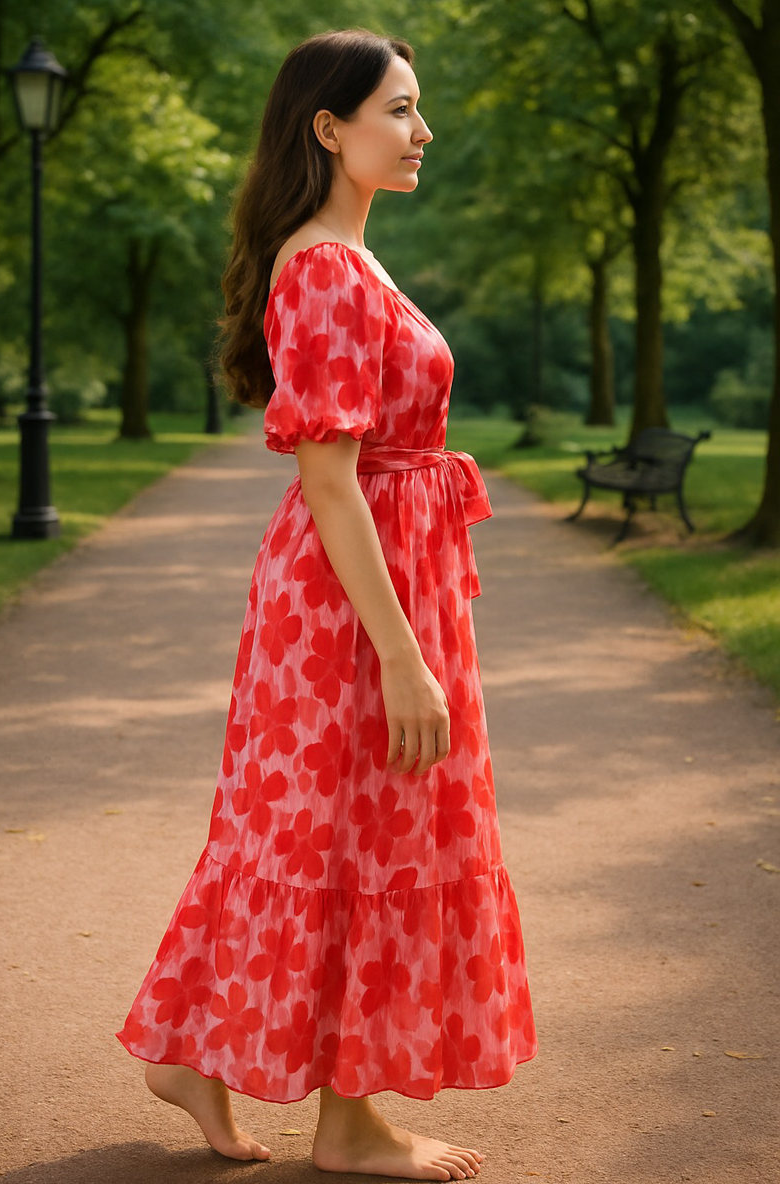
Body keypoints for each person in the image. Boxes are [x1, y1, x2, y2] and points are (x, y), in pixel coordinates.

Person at [115, 27, 538, 1181]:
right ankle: (349, 1126)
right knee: (355, 832)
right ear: (328, 125)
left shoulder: (350, 259)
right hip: (353, 609)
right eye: (400, 108)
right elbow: (330, 477)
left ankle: (194, 1057)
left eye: (419, 107)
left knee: (318, 827)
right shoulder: (323, 268)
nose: (422, 131)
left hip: (384, 587)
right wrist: (404, 654)